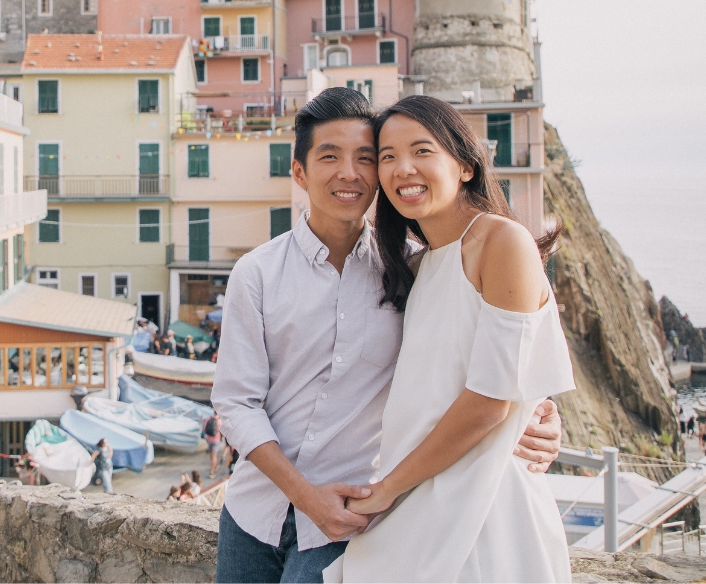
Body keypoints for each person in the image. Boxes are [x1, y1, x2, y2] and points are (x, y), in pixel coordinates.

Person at [212, 88, 563, 584]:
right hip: (254, 512)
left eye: (365, 158)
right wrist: (304, 495)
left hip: (352, 517)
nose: (349, 173)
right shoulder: (257, 273)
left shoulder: (406, 271)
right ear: (298, 172)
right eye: (329, 157)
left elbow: (485, 355)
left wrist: (538, 407)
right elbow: (236, 404)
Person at [329, 95, 575, 582]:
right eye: (387, 158)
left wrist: (386, 490)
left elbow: (490, 402)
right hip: (428, 501)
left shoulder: (501, 241)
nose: (403, 169)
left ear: (464, 165)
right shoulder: (420, 265)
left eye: (422, 151)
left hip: (486, 509)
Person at [203, 411, 225, 479]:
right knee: (214, 457)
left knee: (211, 456)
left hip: (209, 439)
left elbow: (204, 429)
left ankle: (213, 466)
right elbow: (223, 432)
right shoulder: (220, 421)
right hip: (216, 440)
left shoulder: (208, 419)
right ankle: (212, 472)